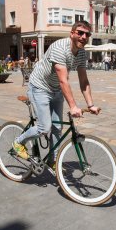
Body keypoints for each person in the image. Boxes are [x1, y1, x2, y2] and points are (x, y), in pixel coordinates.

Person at [13, 20, 101, 169]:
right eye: (80, 33)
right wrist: (73, 106)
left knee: (57, 127)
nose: (84, 36)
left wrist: (90, 104)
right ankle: (18, 142)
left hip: (56, 90)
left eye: (87, 34)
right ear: (72, 33)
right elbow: (63, 80)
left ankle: (52, 160)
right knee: (44, 127)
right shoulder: (60, 47)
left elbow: (84, 80)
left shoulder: (81, 53)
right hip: (39, 87)